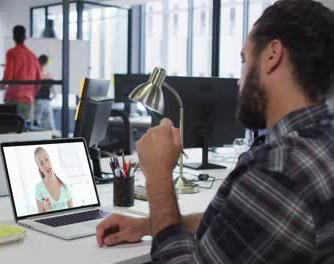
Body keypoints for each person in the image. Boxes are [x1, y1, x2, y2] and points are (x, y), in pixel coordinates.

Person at [96, 0, 334, 263]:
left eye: (244, 59)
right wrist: (147, 225)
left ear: (271, 55)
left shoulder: (279, 170)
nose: (238, 79)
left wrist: (159, 175)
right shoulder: (320, 144)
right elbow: (239, 228)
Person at [0, 25, 41, 123]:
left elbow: (8, 76)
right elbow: (39, 81)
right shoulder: (32, 55)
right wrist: (31, 94)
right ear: (25, 37)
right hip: (27, 99)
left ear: (13, 37)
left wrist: (1, 85)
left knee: (10, 129)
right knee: (23, 130)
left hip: (12, 98)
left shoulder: (12, 53)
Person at [34, 147, 73, 213]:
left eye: (46, 159)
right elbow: (39, 219)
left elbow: (73, 214)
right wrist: (46, 212)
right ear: (39, 168)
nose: (46, 165)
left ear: (50, 159)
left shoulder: (65, 186)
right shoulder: (39, 189)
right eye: (42, 163)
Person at [34, 55, 55, 130]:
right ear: (46, 63)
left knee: (36, 124)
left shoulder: (35, 74)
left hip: (37, 101)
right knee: (49, 125)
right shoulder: (49, 75)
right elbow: (54, 92)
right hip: (46, 101)